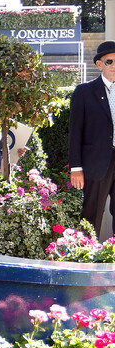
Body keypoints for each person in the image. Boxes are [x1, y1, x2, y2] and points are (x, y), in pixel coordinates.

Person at [69, 40, 115, 236]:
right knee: (91, 214)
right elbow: (75, 132)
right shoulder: (84, 92)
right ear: (99, 64)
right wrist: (76, 168)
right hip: (96, 162)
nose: (114, 66)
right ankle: (87, 258)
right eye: (109, 61)